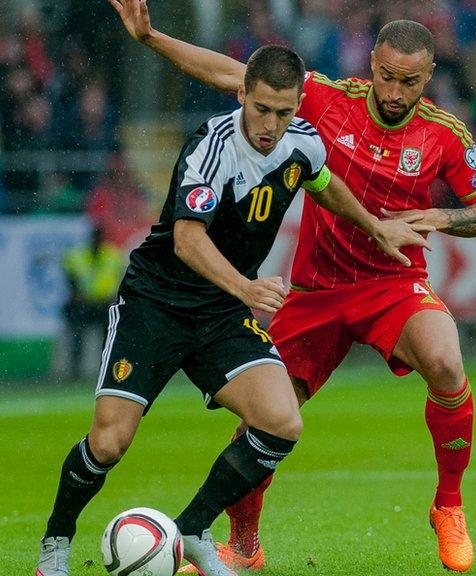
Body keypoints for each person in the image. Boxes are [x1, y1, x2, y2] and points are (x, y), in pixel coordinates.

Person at [109, 1, 476, 572]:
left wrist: (439, 218)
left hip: (393, 284)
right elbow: (231, 73)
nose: (395, 92)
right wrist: (152, 39)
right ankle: (244, 544)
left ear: (430, 77)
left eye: (411, 82)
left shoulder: (445, 134)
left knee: (446, 362)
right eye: (387, 76)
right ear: (372, 63)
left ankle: (448, 505)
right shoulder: (324, 98)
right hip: (316, 290)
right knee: (261, 422)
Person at [35, 44, 431, 576]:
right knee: (109, 442)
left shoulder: (302, 143)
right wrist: (246, 289)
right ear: (242, 93)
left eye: (284, 112)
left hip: (219, 312)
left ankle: (193, 528)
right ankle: (55, 545)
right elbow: (186, 241)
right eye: (261, 109)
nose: (270, 124)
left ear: (297, 107)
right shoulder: (211, 146)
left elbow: (325, 184)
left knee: (281, 421)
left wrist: (376, 225)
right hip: (156, 303)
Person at [61, 225, 127, 379]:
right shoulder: (76, 256)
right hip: (83, 304)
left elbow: (119, 280)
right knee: (78, 337)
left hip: (104, 304)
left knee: (109, 339)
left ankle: (106, 369)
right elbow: (71, 280)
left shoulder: (112, 255)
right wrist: (77, 294)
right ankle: (75, 373)